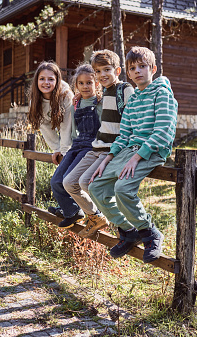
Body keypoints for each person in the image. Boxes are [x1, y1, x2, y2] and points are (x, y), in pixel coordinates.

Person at [88, 46, 178, 263]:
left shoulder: (163, 94)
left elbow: (164, 131)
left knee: (122, 188)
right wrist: (108, 158)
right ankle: (129, 231)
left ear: (153, 69)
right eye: (133, 68)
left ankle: (150, 232)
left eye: (143, 66)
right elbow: (125, 134)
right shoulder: (134, 100)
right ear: (127, 73)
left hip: (152, 150)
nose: (138, 71)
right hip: (129, 150)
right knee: (95, 186)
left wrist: (138, 157)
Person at [63, 49, 134, 237]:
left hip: (112, 148)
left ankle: (124, 225)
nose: (103, 75)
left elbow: (134, 119)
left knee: (88, 183)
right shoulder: (104, 91)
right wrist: (80, 96)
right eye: (99, 71)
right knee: (69, 182)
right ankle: (95, 216)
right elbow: (90, 99)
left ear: (117, 71)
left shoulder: (124, 89)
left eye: (107, 70)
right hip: (96, 146)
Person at [51, 63, 103, 229]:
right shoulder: (76, 104)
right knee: (56, 181)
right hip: (77, 145)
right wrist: (66, 150)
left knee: (70, 180)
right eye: (81, 83)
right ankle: (72, 212)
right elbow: (73, 130)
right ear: (76, 85)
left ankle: (90, 213)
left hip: (91, 146)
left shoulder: (100, 103)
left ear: (97, 83)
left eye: (89, 82)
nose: (85, 86)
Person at [27, 61, 75, 222]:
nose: (46, 83)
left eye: (50, 79)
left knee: (63, 178)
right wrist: (56, 149)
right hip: (63, 142)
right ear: (36, 81)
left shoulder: (65, 95)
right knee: (61, 178)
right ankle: (69, 208)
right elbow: (45, 127)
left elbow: (68, 124)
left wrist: (65, 150)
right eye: (42, 79)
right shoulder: (35, 99)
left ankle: (72, 209)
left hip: (77, 136)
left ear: (57, 80)